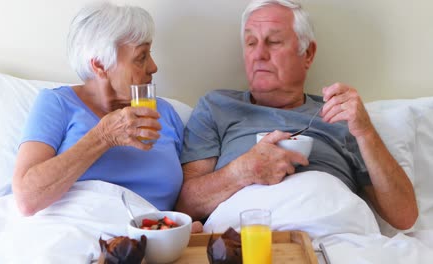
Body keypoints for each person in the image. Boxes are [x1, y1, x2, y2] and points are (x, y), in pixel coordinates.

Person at [177, 0, 418, 230]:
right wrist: (242, 171)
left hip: (335, 231)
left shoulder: (339, 115)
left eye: (274, 42)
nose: (259, 54)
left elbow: (404, 216)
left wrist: (366, 132)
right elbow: (185, 206)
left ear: (308, 54)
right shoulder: (216, 106)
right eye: (251, 43)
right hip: (249, 238)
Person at [12, 2, 184, 217]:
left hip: (150, 240)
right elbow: (27, 199)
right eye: (141, 57)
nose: (153, 67)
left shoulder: (165, 113)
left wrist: (185, 225)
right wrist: (103, 136)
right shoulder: (57, 104)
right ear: (100, 65)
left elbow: (185, 203)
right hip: (78, 234)